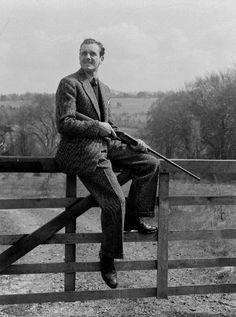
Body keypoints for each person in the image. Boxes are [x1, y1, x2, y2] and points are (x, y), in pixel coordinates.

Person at [55, 38, 159, 289]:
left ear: (102, 58)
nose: (88, 57)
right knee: (115, 200)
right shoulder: (69, 83)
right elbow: (65, 123)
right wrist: (95, 126)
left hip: (106, 145)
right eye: (83, 53)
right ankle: (107, 257)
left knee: (150, 163)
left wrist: (131, 141)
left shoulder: (106, 89)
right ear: (79, 56)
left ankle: (134, 217)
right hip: (83, 151)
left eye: (93, 54)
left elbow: (110, 128)